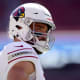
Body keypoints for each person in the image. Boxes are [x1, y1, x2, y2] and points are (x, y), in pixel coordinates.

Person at [0, 3, 56, 80]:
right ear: (19, 26)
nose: (44, 36)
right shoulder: (22, 49)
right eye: (39, 28)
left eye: (46, 31)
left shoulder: (7, 53)